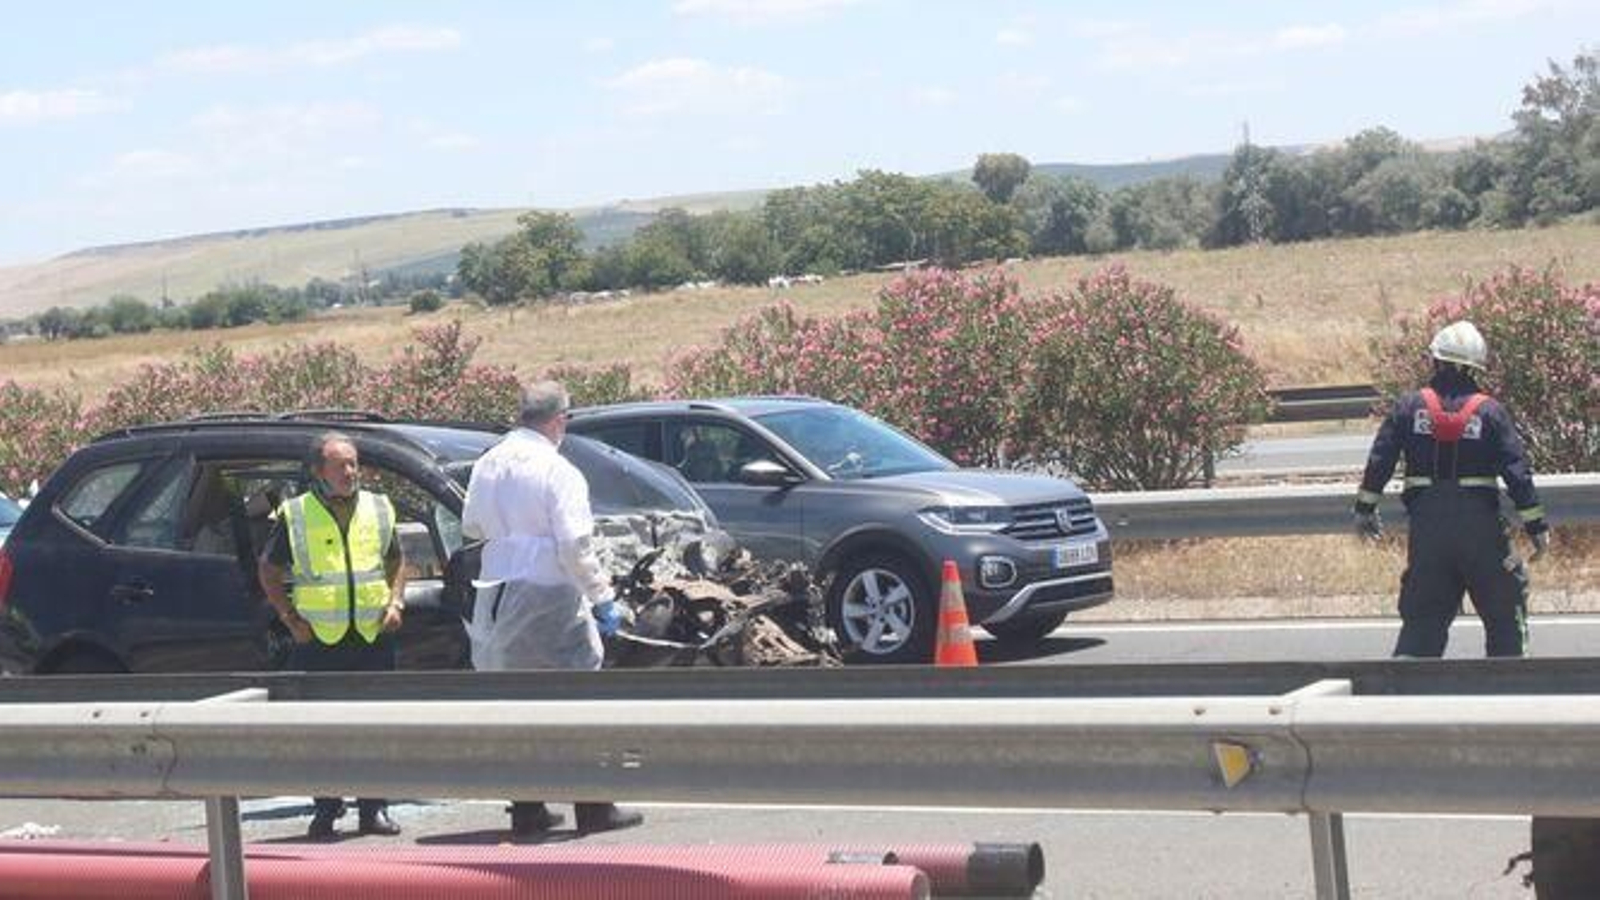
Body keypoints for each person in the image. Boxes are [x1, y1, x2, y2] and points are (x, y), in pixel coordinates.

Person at [461, 380, 642, 837]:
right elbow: (575, 548)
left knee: (514, 707)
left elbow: (472, 524)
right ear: (560, 420)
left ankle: (527, 809)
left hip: (497, 595)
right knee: (580, 703)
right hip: (548, 596)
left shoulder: (488, 463)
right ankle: (594, 807)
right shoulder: (558, 471)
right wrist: (603, 599)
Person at [1354, 320, 1550, 658]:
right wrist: (1536, 526)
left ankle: (1405, 703)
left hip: (1429, 535)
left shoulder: (1408, 407)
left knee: (1422, 626)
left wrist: (1365, 509)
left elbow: (1380, 461)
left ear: (1435, 360)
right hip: (1482, 536)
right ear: (1476, 367)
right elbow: (1517, 473)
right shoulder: (1490, 412)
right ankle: (1513, 696)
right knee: (1506, 620)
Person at [258, 432, 408, 839]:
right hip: (319, 638)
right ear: (317, 471)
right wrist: (289, 617)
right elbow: (269, 571)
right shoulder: (297, 513)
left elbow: (397, 560)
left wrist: (395, 602)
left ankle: (373, 809)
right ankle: (326, 809)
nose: (350, 472)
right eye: (340, 465)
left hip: (371, 635)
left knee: (374, 725)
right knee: (320, 728)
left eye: (353, 463)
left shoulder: (378, 508)